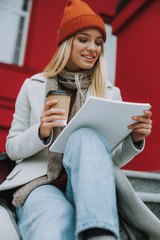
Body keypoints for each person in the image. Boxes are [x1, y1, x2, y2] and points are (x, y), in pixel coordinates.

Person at [1, 0, 159, 239]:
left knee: (85, 136)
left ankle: (99, 233)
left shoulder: (109, 93)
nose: (92, 48)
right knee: (58, 219)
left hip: (90, 186)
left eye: (98, 42)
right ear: (66, 42)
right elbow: (12, 148)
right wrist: (41, 131)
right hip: (39, 182)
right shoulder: (33, 86)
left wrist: (134, 140)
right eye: (83, 39)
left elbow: (110, 161)